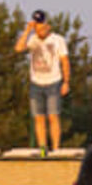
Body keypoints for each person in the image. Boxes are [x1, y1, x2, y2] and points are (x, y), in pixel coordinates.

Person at [15, 11, 70, 152]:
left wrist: (66, 82)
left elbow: (65, 61)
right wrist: (27, 31)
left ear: (48, 26)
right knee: (39, 117)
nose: (40, 31)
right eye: (37, 28)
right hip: (36, 83)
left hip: (53, 82)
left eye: (42, 27)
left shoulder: (58, 40)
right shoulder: (33, 40)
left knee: (53, 116)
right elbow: (18, 48)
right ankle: (42, 148)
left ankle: (56, 148)